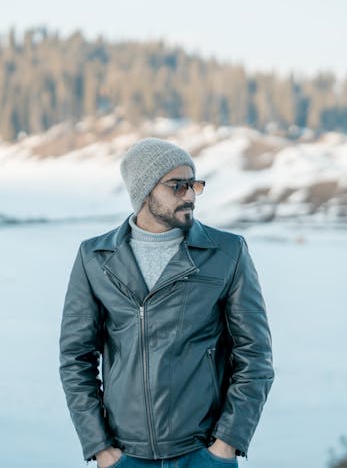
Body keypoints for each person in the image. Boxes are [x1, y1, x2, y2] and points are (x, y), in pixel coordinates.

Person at [59, 138, 274, 467]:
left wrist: (227, 443)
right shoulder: (94, 257)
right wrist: (100, 448)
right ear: (145, 190)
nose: (189, 196)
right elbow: (76, 359)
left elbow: (255, 354)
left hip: (203, 454)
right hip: (124, 456)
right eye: (177, 186)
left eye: (194, 185)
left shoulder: (227, 252)